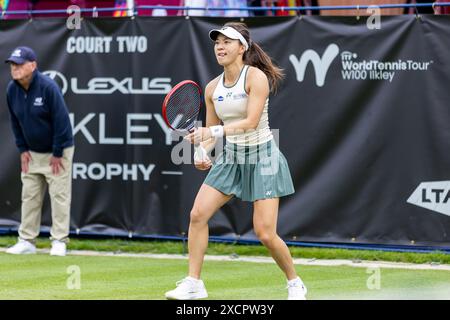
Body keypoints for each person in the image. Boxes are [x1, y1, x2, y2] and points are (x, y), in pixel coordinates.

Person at [165, 22, 307, 300]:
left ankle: (295, 283)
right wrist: (201, 151)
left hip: (263, 156)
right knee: (197, 215)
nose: (220, 46)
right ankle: (194, 283)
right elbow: (211, 133)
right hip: (231, 157)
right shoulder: (211, 88)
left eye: (227, 42)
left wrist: (211, 132)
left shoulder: (256, 78)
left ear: (242, 47)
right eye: (217, 42)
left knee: (265, 233)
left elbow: (250, 122)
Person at [4, 46, 74, 257]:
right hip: (32, 152)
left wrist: (57, 151)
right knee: (30, 196)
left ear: (33, 65)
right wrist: (23, 149)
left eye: (19, 64)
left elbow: (62, 122)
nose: (15, 68)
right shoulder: (12, 90)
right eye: (13, 65)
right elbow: (15, 122)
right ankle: (27, 240)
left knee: (59, 195)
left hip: (57, 151)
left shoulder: (48, 87)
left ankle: (59, 241)